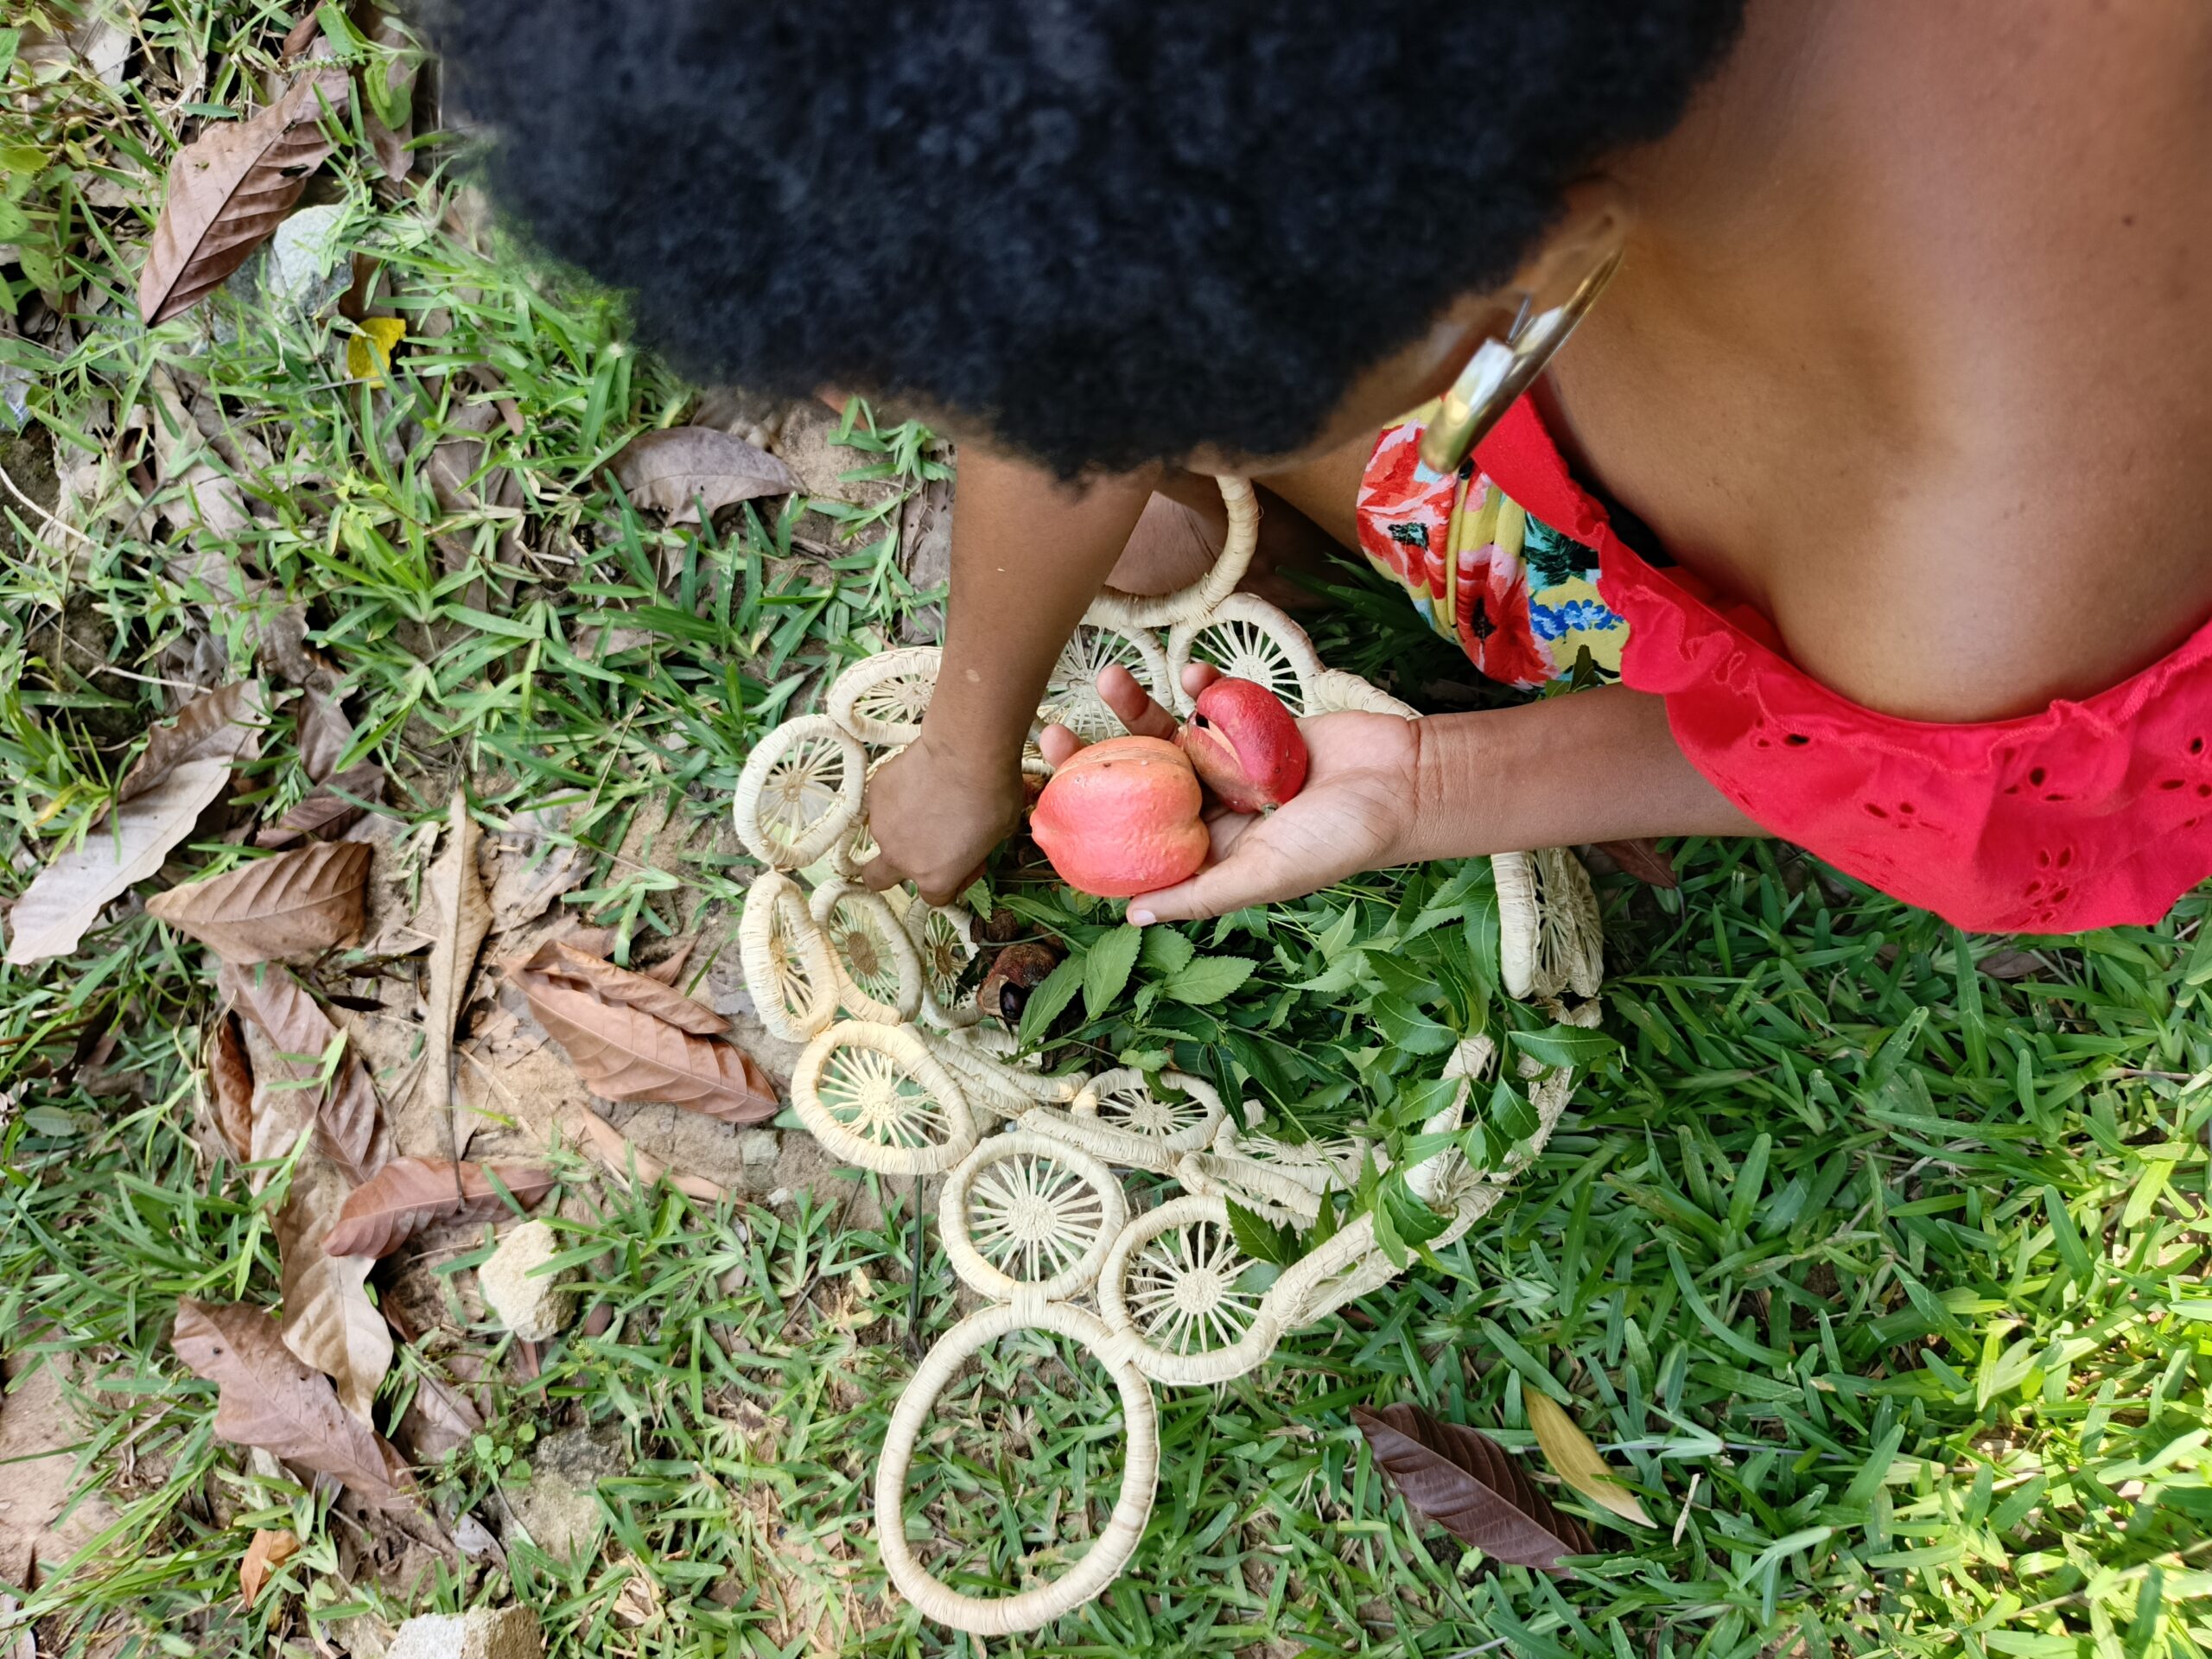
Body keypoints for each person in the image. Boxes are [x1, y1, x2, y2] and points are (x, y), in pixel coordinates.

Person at [440, 0, 2212, 935]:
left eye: (1155, 411)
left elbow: (1848, 767)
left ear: (1527, 262)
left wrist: (1448, 790)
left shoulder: (1970, 566)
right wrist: (962, 738)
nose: (1089, 451)